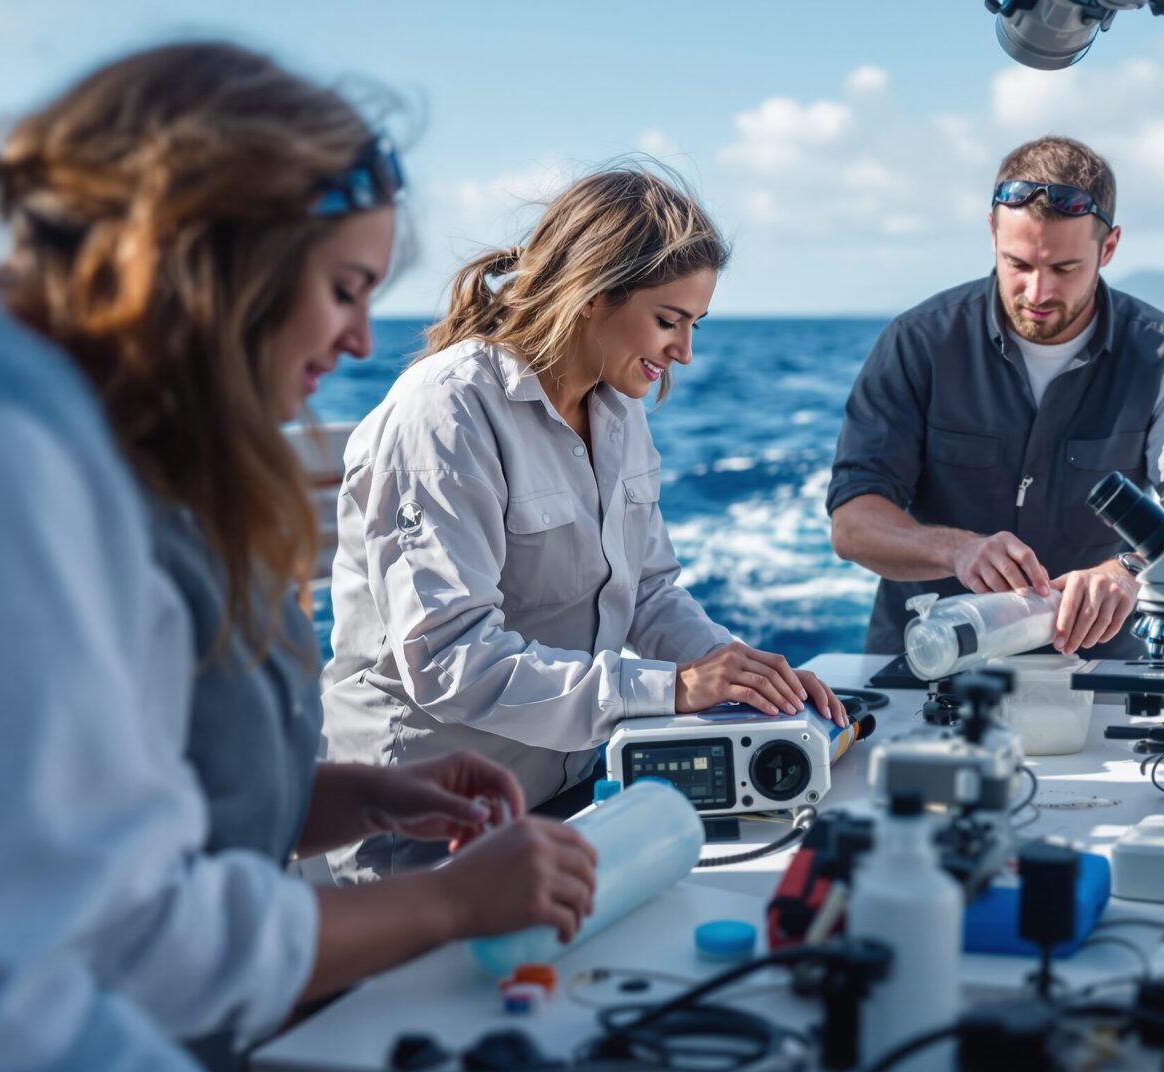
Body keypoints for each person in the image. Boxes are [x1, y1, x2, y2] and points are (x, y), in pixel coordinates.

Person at [0, 41, 594, 1070]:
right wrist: (452, 903)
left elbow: (108, 807)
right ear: (215, 258)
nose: (362, 340)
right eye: (345, 287)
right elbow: (99, 942)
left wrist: (359, 796)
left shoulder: (134, 452)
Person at [322, 166, 847, 881]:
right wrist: (671, 690)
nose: (685, 353)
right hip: (420, 832)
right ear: (592, 295)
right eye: (668, 321)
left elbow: (649, 592)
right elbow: (448, 659)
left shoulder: (618, 408)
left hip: (566, 793)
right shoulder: (445, 412)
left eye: (694, 325)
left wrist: (744, 676)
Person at [827, 135, 1164, 661]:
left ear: (1108, 249)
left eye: (1064, 269)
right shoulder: (916, 342)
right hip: (926, 670)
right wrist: (957, 550)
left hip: (1098, 675)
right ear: (992, 233)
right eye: (1018, 264)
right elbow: (853, 524)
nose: (1038, 293)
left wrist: (1129, 571)